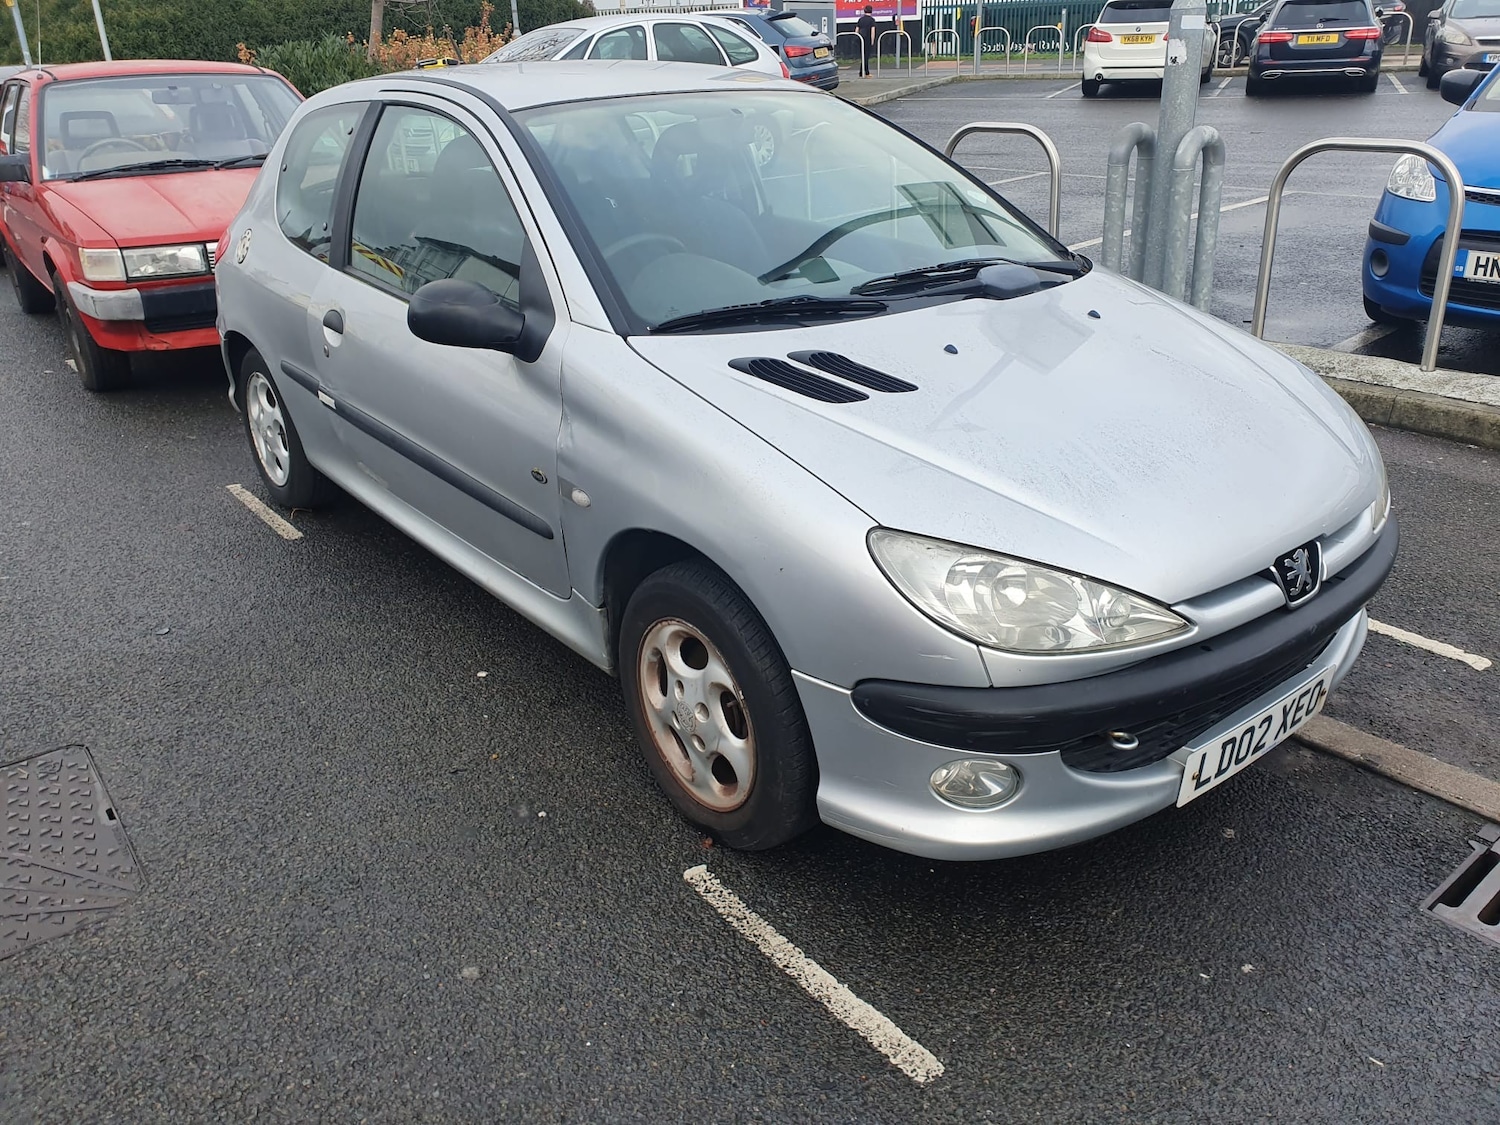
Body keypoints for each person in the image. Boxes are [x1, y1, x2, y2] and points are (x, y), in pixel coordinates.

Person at [857, 5, 876, 77]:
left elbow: (856, 30)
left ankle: (861, 72)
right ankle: (866, 72)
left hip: (861, 39)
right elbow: (872, 31)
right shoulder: (872, 20)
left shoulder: (860, 19)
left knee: (863, 56)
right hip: (867, 39)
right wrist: (872, 41)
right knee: (866, 57)